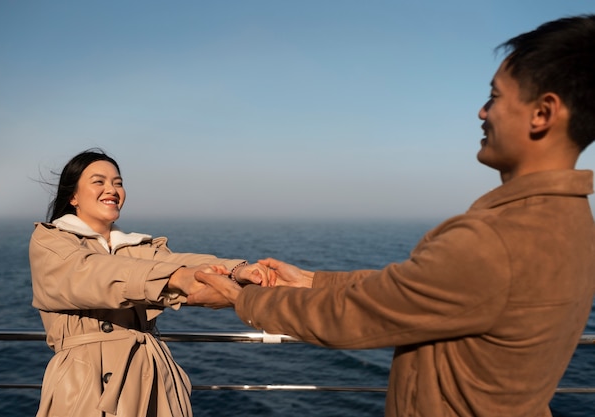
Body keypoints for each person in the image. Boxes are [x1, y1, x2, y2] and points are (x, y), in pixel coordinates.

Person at [188, 14, 595, 417]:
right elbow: (416, 292)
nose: (482, 112)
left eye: (495, 96)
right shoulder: (571, 224)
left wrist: (245, 298)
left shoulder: (495, 240)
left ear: (543, 113)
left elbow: (351, 318)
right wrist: (312, 280)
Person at [29, 149, 269, 417]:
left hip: (150, 378)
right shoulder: (50, 241)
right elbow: (90, 273)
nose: (112, 189)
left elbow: (179, 261)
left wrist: (239, 272)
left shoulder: (132, 247)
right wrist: (177, 278)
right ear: (73, 196)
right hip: (86, 387)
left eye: (118, 182)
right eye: (99, 181)